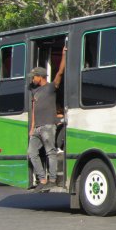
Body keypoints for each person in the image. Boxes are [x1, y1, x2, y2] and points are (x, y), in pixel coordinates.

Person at [28, 46, 66, 192]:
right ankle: (42, 179)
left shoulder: (51, 87)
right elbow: (33, 109)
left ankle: (52, 179)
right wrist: (32, 127)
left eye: (34, 76)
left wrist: (63, 54)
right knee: (32, 152)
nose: (32, 79)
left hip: (48, 125)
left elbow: (60, 72)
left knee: (50, 152)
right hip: (37, 127)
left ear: (41, 77)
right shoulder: (34, 90)